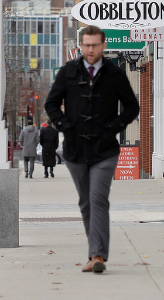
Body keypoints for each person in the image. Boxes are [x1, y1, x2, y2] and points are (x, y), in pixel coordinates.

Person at [45, 25, 139, 273]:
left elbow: (132, 107)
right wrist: (65, 126)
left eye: (95, 45)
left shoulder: (115, 74)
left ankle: (98, 255)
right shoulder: (68, 72)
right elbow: (51, 103)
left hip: (105, 149)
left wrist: (114, 127)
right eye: (86, 45)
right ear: (81, 45)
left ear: (103, 46)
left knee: (98, 199)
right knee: (86, 202)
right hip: (75, 149)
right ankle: (94, 252)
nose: (90, 49)